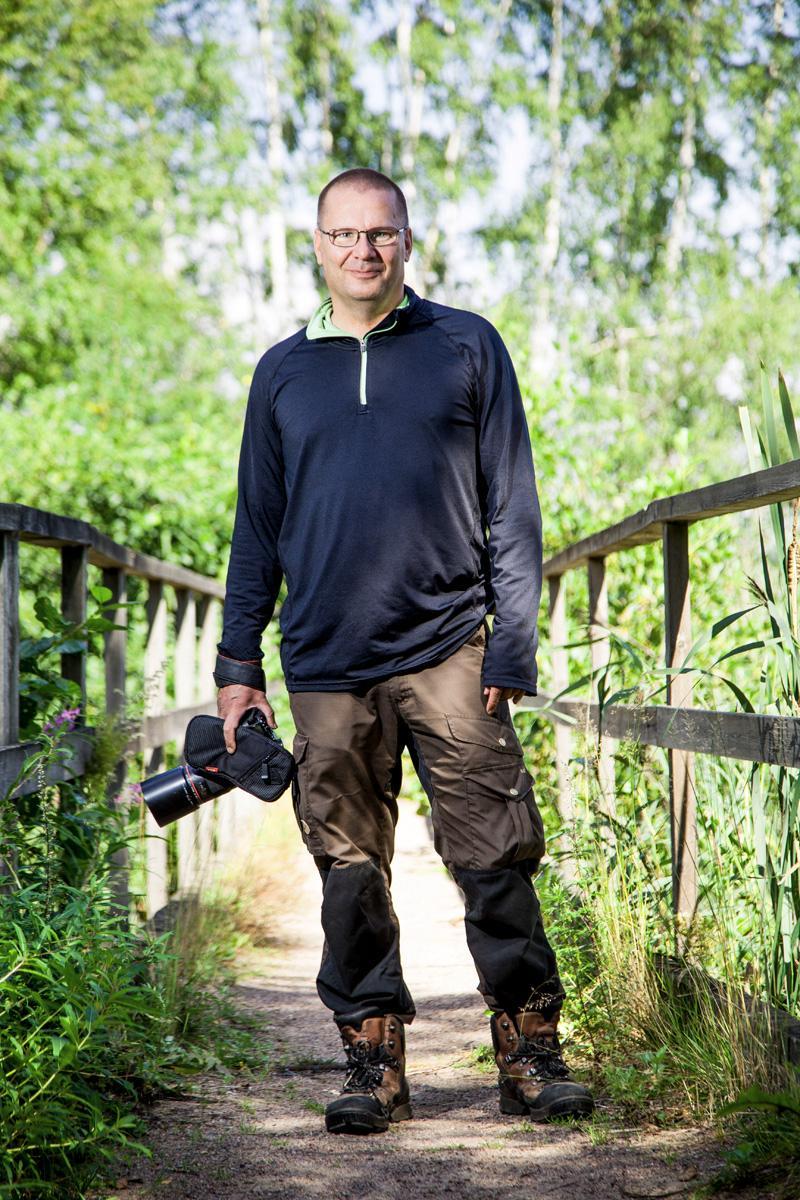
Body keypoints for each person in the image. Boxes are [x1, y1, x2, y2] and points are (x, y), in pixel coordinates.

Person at [215, 167, 593, 1135]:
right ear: (316, 246)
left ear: (407, 242)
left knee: (494, 855)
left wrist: (511, 646)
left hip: (450, 649)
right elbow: (255, 525)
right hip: (325, 660)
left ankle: (529, 1050)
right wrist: (236, 667)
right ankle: (370, 1060)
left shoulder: (464, 345)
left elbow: (511, 505)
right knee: (346, 868)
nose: (362, 252)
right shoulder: (282, 370)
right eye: (343, 236)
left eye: (379, 234)